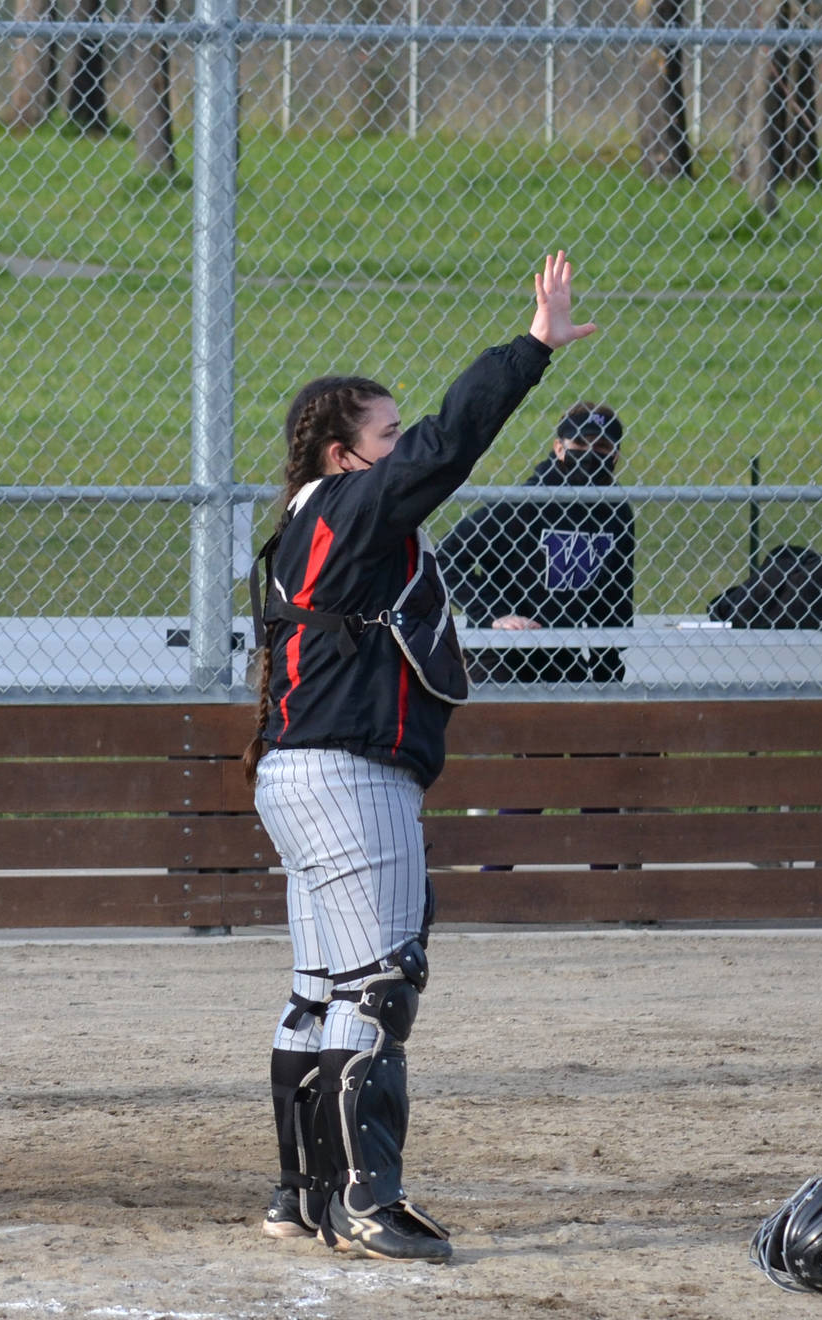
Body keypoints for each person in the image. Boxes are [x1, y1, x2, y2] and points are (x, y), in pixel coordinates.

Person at [245, 252, 596, 1261]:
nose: (398, 453)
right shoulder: (351, 508)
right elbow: (451, 444)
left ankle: (300, 1195)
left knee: (320, 986)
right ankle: (363, 1202)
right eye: (381, 437)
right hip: (348, 774)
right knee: (378, 983)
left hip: (297, 773)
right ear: (340, 453)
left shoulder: (303, 526)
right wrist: (530, 349)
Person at [438, 403, 634, 684]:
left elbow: (616, 595)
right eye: (579, 442)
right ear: (559, 447)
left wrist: (608, 667)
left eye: (601, 446)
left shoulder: (616, 511)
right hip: (502, 646)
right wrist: (495, 613)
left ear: (615, 455)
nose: (590, 454)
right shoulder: (526, 503)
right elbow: (446, 556)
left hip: (560, 647)